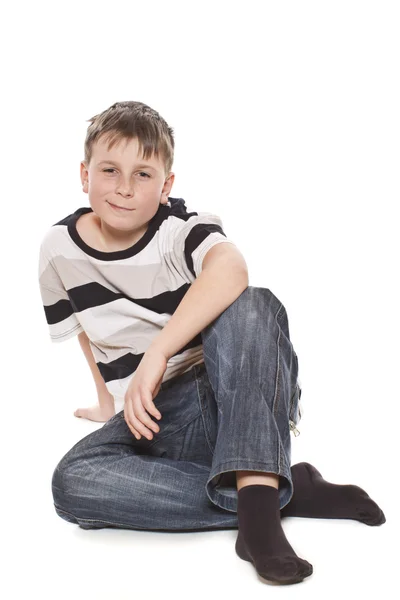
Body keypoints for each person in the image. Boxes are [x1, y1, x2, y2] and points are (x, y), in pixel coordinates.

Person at [38, 100, 386, 586]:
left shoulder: (180, 229)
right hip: (150, 425)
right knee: (72, 483)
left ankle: (259, 523)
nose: (123, 187)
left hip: (225, 401)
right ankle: (272, 491)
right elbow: (83, 327)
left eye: (143, 174)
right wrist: (106, 401)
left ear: (166, 186)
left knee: (251, 303)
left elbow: (231, 269)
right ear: (84, 174)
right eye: (109, 170)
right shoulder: (58, 250)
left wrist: (158, 353)